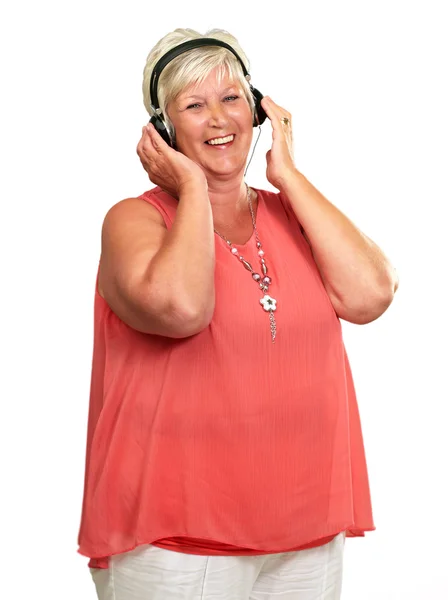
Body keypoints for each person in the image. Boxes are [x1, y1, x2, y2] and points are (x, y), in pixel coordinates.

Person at [77, 28, 399, 600]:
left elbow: (371, 294)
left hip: (306, 527)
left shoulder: (293, 213)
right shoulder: (135, 220)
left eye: (231, 99)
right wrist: (193, 189)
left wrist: (290, 176)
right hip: (176, 539)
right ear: (164, 129)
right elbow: (182, 308)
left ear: (256, 110)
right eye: (193, 106)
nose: (218, 119)